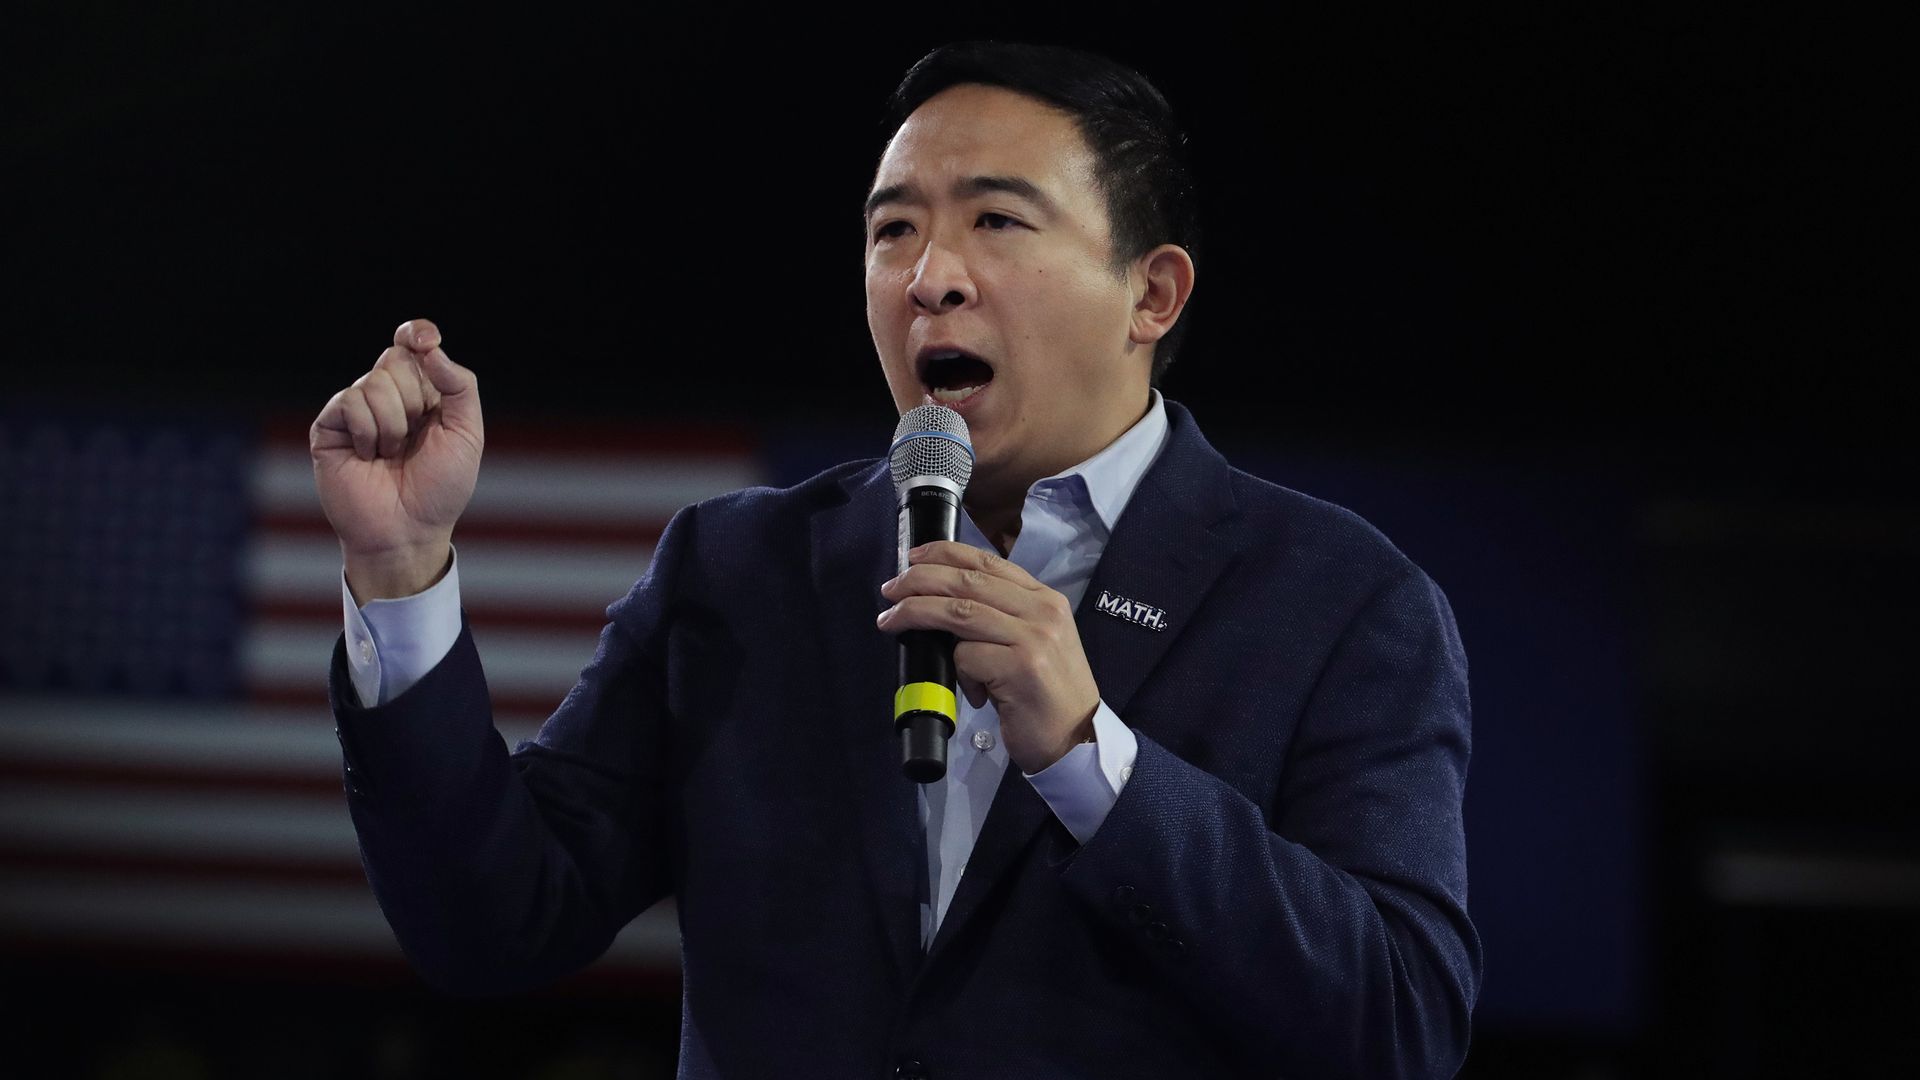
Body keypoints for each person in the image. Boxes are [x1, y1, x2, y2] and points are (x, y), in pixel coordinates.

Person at [312, 41, 1481, 1079]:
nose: (930, 276)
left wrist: (1092, 761)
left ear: (1151, 293)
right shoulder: (740, 572)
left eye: (997, 220)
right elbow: (492, 924)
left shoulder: (1341, 605)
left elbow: (1400, 1023)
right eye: (893, 230)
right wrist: (403, 569)